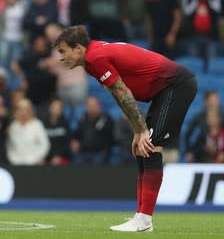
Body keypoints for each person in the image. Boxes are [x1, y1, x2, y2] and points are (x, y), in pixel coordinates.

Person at [53, 25, 197, 232]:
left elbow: (124, 94)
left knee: (151, 147)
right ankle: (141, 217)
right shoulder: (91, 60)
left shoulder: (95, 58)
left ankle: (145, 219)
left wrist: (141, 130)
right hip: (164, 91)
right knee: (142, 148)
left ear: (78, 48)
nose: (60, 57)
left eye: (62, 51)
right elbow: (118, 94)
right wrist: (138, 131)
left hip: (177, 86)